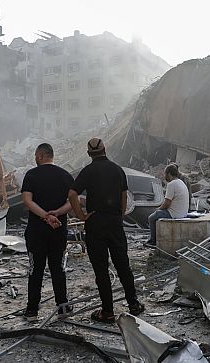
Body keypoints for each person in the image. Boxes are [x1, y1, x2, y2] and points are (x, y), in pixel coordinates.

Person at [69, 138, 145, 323]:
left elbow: (72, 194)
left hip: (95, 223)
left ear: (89, 154)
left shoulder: (87, 171)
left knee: (101, 269)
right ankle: (133, 304)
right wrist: (119, 214)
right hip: (114, 222)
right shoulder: (117, 170)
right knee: (123, 265)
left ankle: (108, 311)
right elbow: (124, 195)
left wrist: (81, 215)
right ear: (105, 149)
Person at [21, 143, 75, 321]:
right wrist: (57, 213)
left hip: (36, 231)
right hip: (58, 230)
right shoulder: (65, 175)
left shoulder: (31, 175)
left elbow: (27, 201)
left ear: (40, 155)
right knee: (58, 268)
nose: (35, 158)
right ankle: (63, 307)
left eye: (36, 155)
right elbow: (73, 201)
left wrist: (45, 216)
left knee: (35, 269)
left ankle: (32, 311)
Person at [146, 164, 190, 247]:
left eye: (165, 174)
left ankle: (153, 241)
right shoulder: (180, 182)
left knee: (152, 217)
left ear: (169, 174)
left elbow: (167, 203)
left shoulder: (171, 184)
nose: (164, 176)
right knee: (157, 214)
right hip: (183, 213)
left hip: (174, 214)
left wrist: (158, 210)